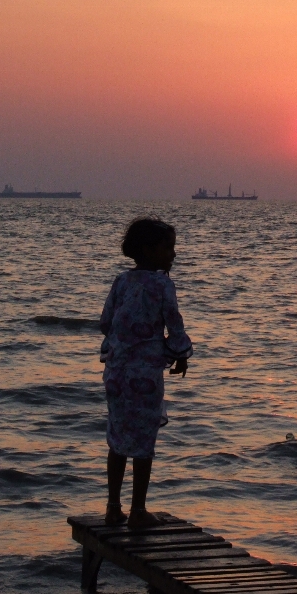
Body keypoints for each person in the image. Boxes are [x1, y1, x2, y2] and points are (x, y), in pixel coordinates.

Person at [99, 217, 192, 527]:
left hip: (116, 373)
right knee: (143, 442)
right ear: (148, 250)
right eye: (168, 248)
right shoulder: (163, 284)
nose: (173, 254)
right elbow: (174, 323)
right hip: (145, 377)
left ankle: (113, 507)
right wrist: (180, 354)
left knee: (117, 438)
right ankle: (138, 510)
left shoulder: (122, 282)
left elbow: (106, 321)